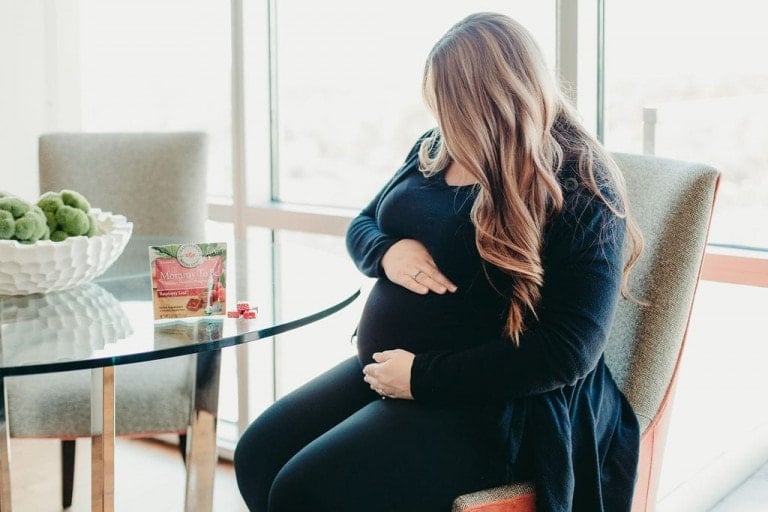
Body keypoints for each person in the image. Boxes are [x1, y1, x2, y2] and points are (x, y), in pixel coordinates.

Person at [234, 12, 643, 512]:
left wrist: (422, 377)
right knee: (258, 454)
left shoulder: (582, 186)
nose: (442, 121)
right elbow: (363, 223)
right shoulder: (436, 146)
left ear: (495, 102)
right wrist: (386, 252)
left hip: (494, 404)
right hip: (396, 372)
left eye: (451, 106)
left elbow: (566, 352)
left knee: (305, 490)